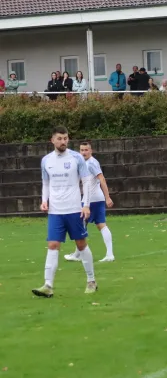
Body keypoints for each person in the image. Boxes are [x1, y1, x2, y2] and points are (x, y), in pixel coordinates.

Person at [32, 126, 97, 298]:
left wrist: (86, 204)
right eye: (59, 138)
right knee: (53, 245)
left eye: (65, 138)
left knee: (81, 244)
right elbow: (46, 183)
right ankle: (48, 285)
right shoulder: (46, 160)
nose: (63, 141)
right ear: (52, 140)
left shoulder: (76, 157)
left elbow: (87, 181)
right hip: (55, 211)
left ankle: (91, 280)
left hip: (75, 209)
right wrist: (44, 201)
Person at [65, 142, 115, 263]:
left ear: (91, 151)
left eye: (86, 150)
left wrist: (108, 197)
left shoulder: (92, 163)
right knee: (99, 224)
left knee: (80, 225)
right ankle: (109, 254)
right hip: (96, 198)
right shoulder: (84, 163)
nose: (84, 152)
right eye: (82, 150)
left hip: (91, 200)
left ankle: (78, 254)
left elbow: (101, 179)